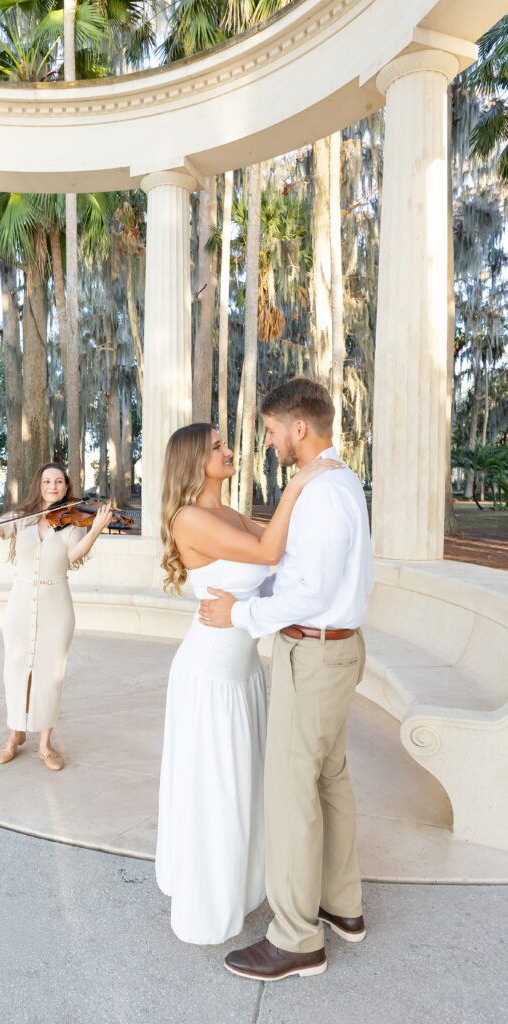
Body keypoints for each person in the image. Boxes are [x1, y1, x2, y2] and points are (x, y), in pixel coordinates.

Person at [200, 377, 374, 981]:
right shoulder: (339, 480)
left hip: (315, 655)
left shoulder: (321, 492)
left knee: (291, 792)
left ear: (300, 428)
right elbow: (302, 572)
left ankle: (297, 938)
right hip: (336, 650)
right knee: (330, 779)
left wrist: (239, 614)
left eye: (272, 430)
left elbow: (311, 590)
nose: (269, 440)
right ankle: (341, 906)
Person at [156, 422, 341, 945]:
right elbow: (265, 555)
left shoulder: (227, 514)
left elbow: (276, 549)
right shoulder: (189, 517)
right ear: (195, 461)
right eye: (217, 447)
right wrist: (299, 483)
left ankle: (241, 884)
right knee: (216, 783)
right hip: (211, 673)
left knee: (242, 780)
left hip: (242, 671)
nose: (229, 450)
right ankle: (208, 901)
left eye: (224, 443)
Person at [0, 463, 113, 771]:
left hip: (57, 604)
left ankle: (45, 743)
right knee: (15, 669)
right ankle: (15, 734)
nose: (52, 486)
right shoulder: (19, 519)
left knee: (50, 675)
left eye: (58, 481)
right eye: (47, 481)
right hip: (21, 601)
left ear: (66, 487)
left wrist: (95, 529)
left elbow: (72, 556)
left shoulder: (72, 521)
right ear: (39, 486)